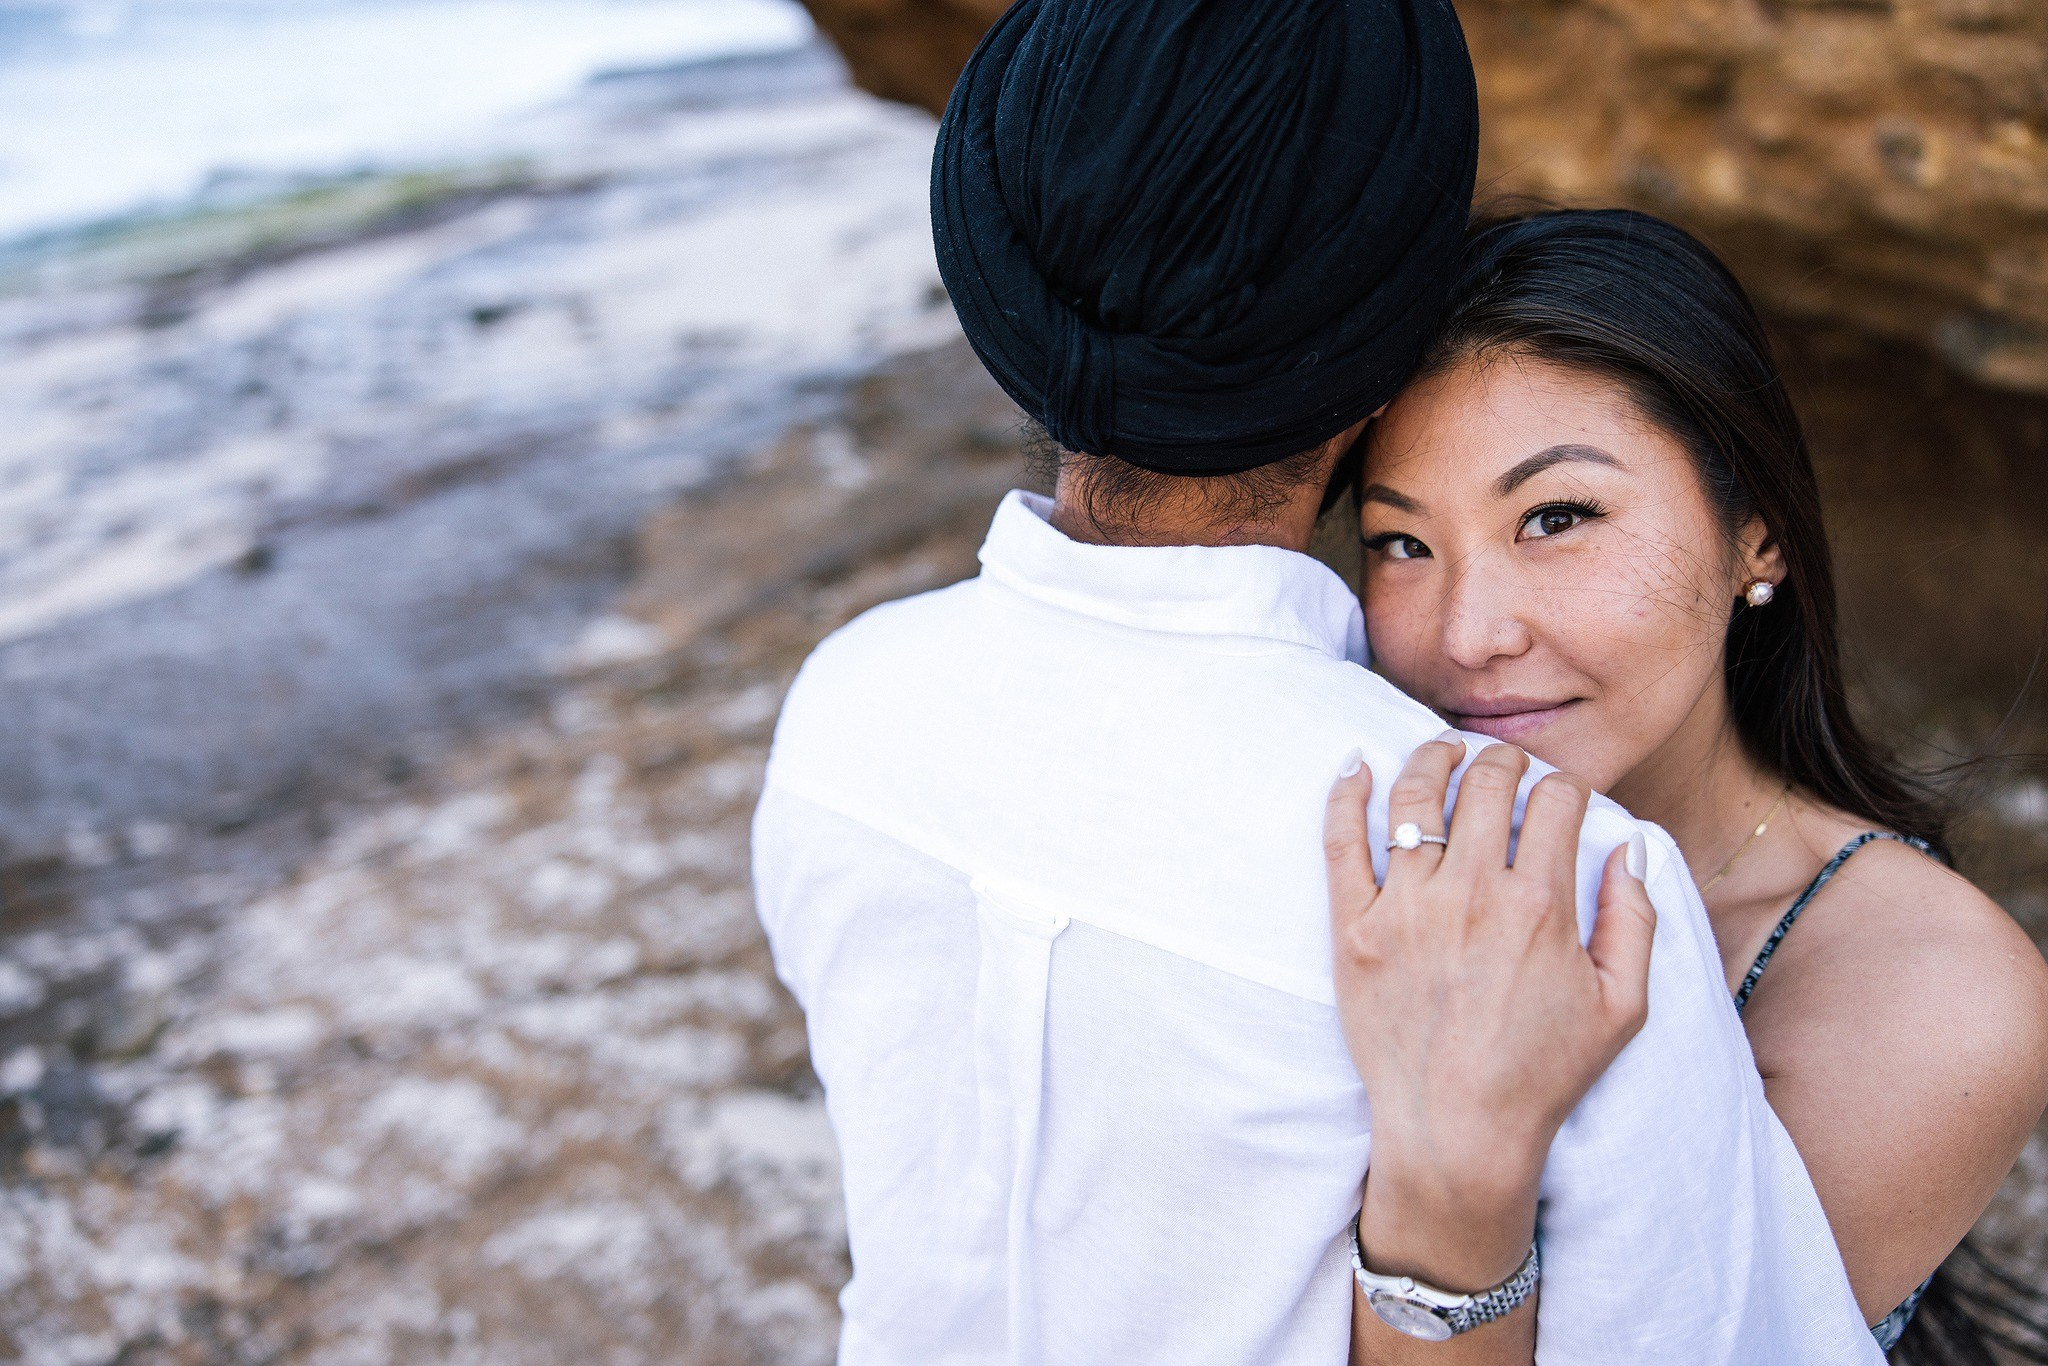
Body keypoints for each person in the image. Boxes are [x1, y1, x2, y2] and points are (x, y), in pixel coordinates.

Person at [754, 1, 1881, 1361]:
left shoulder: (845, 714)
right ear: (1391, 340)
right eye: (1408, 541)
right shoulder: (1545, 884)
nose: (1472, 632)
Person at [1325, 207, 2048, 1363]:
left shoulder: (1930, 1001)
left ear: (1753, 533)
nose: (1464, 635)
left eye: (1554, 517)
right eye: (1398, 541)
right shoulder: (1343, 820)